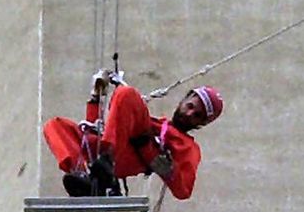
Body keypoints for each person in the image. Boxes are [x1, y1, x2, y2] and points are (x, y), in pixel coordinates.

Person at [42, 71, 223, 200]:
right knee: (55, 126)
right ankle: (85, 178)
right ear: (184, 99)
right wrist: (95, 98)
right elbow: (97, 132)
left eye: (197, 115)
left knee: (126, 93)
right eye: (190, 106)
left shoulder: (188, 148)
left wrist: (168, 171)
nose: (189, 114)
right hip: (108, 152)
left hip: (128, 156)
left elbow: (184, 191)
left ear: (202, 124)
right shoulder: (157, 123)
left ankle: (106, 164)